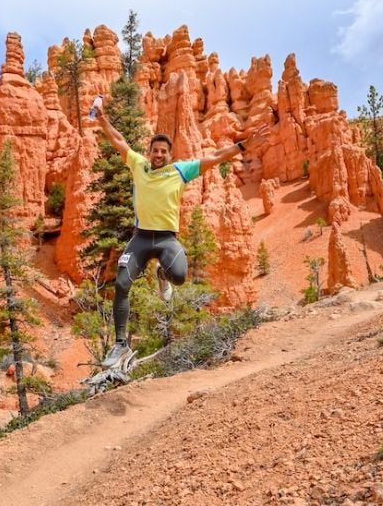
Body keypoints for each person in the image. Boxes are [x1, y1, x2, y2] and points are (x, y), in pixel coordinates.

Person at [92, 100, 265, 368]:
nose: (158, 154)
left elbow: (215, 157)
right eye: (155, 150)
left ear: (170, 155)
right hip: (140, 238)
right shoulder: (138, 165)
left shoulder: (180, 171)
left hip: (165, 239)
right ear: (149, 152)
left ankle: (162, 275)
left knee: (180, 275)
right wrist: (102, 121)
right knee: (122, 285)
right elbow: (119, 140)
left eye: (163, 151)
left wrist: (242, 146)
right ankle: (120, 344)